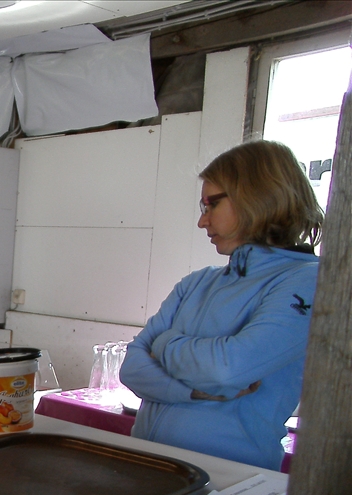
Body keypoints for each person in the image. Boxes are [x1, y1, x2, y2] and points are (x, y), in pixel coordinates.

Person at [120, 140, 323, 470]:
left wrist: (165, 343)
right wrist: (196, 391)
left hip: (229, 478)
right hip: (150, 467)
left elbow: (229, 369)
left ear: (257, 197)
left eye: (211, 205)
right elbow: (131, 369)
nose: (203, 222)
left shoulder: (309, 280)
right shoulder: (198, 282)